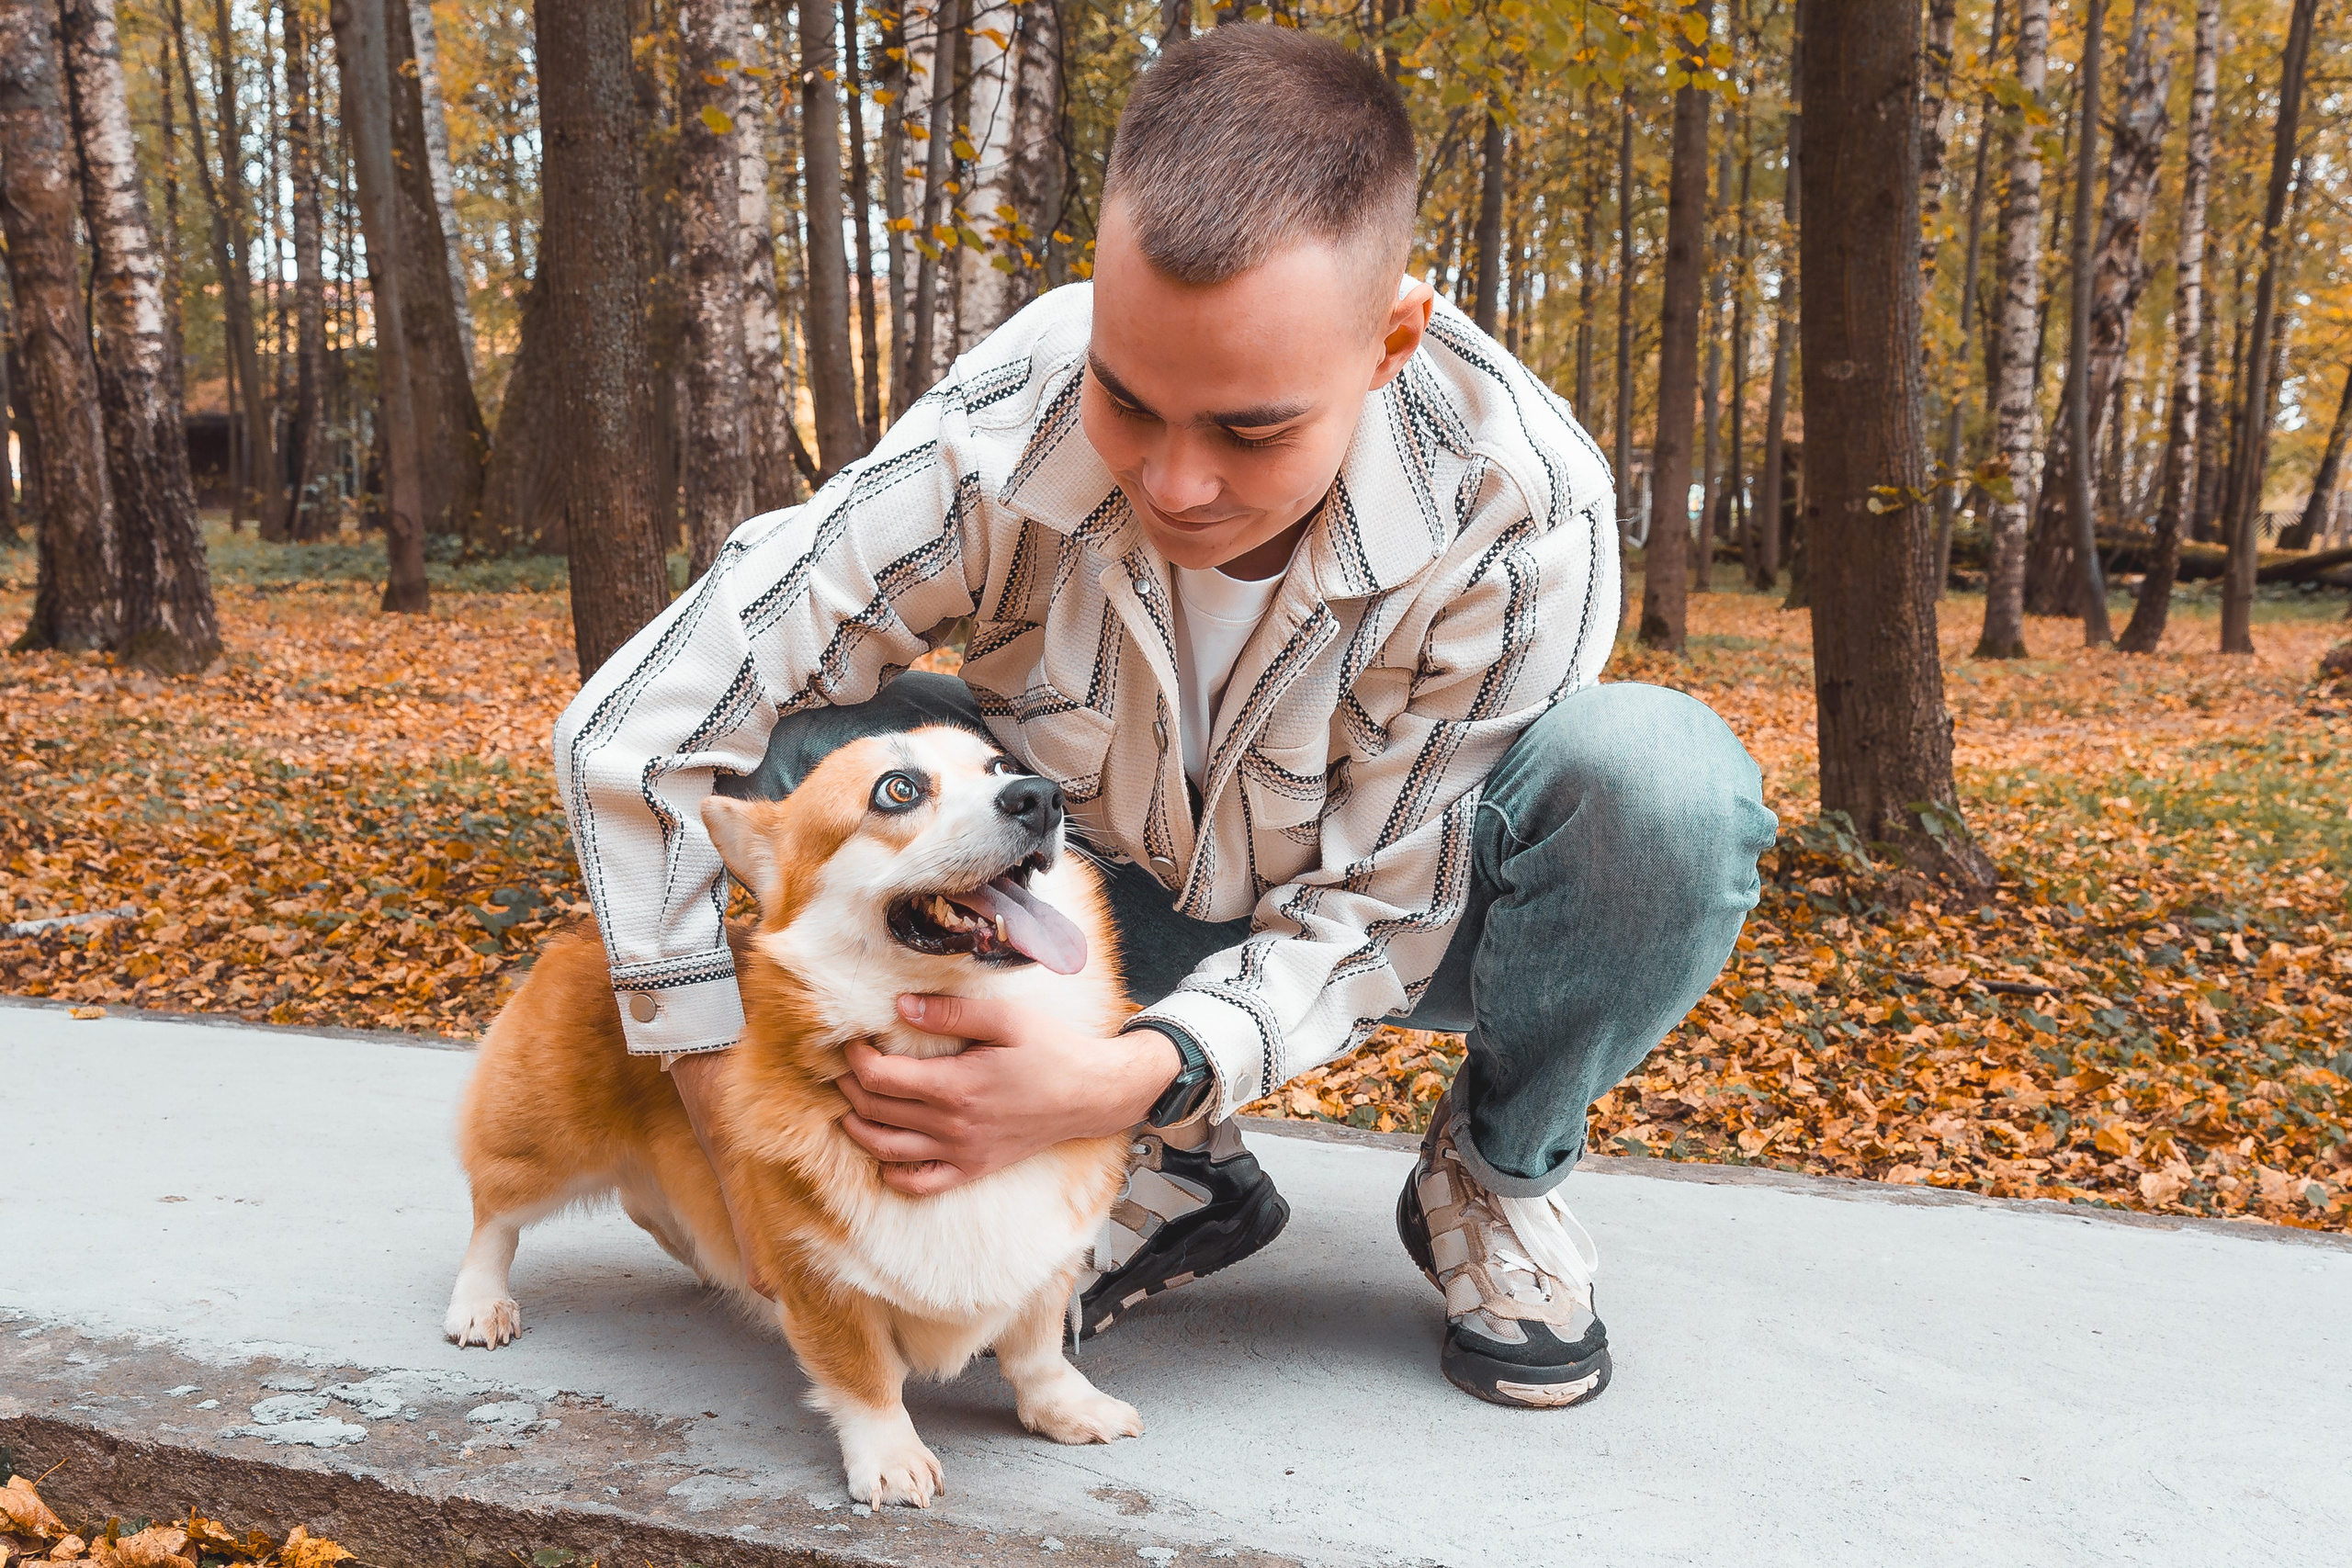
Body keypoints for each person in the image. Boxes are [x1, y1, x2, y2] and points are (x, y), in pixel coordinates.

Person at [554, 23, 1776, 1409]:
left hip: (1412, 922)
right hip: (1092, 889)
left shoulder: (1519, 507)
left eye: (1251, 429)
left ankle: (1494, 1173)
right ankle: (1181, 1170)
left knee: (1662, 787)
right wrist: (717, 1094)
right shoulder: (1008, 415)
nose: (1175, 483)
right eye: (1128, 401)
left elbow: (1375, 920)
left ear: (1389, 343)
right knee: (794, 768)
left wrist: (1124, 1071)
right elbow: (639, 728)